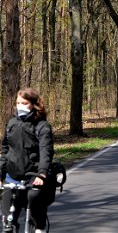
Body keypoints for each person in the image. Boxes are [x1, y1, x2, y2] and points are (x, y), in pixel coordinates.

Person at [0, 88, 54, 233]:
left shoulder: (42, 126)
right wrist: (1, 172)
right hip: (13, 174)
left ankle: (39, 228)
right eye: (18, 103)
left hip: (34, 174)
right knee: (7, 215)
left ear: (34, 104)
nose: (20, 106)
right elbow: (5, 149)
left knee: (34, 196)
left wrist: (42, 174)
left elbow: (46, 152)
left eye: (24, 103)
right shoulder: (11, 123)